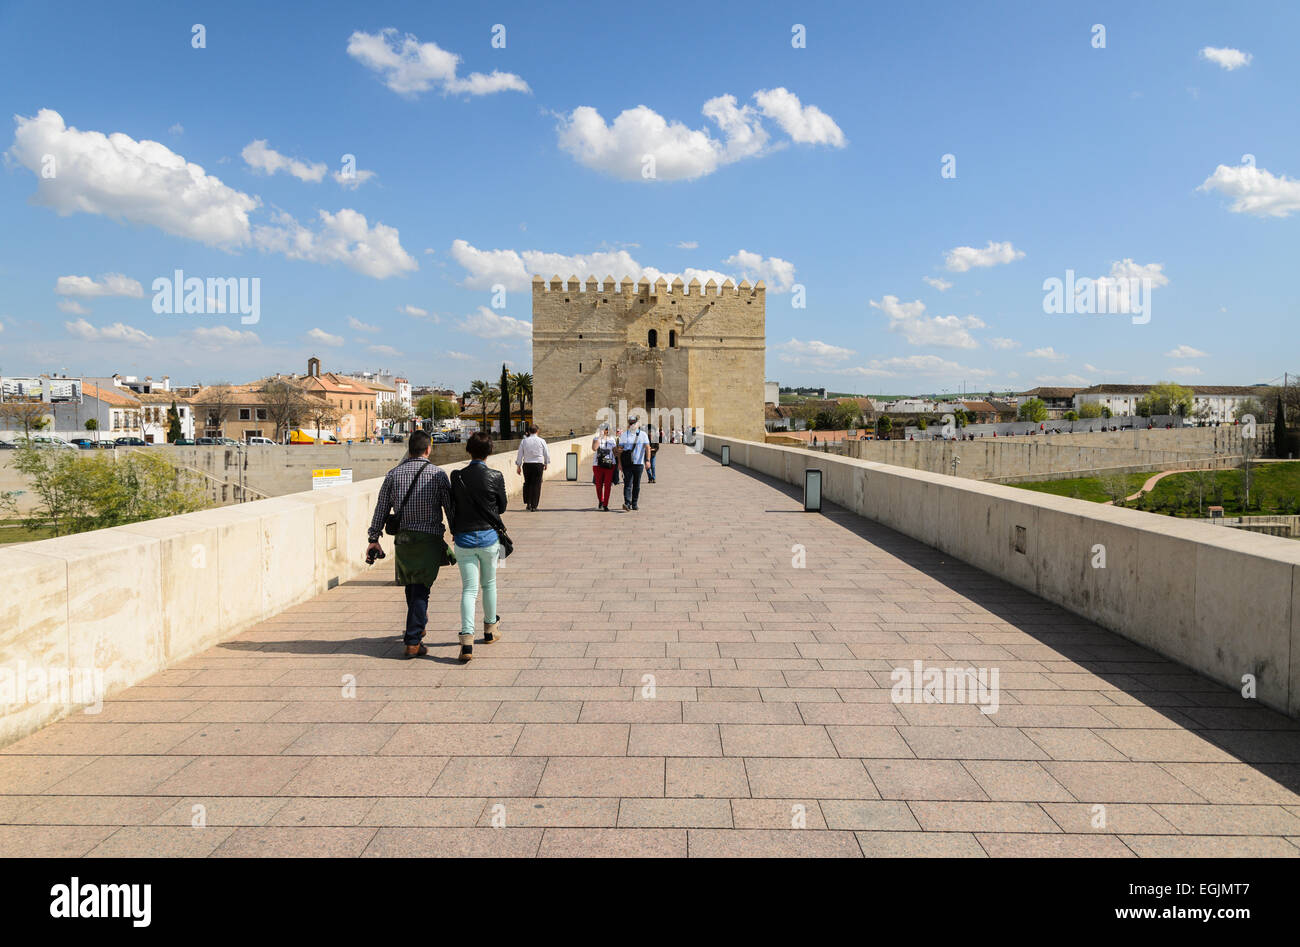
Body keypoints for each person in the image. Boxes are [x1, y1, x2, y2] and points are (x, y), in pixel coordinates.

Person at [366, 430, 453, 658]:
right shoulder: (438, 474)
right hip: (428, 539)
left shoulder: (393, 475)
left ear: (409, 449)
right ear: (428, 449)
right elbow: (450, 508)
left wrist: (373, 538)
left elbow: (381, 509)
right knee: (421, 589)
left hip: (404, 539)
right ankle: (413, 641)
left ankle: (418, 625)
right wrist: (456, 532)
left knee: (412, 585)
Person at [450, 432, 507, 662]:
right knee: (489, 584)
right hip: (488, 538)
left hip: (464, 539)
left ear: (468, 451)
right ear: (490, 451)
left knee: (469, 590)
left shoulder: (457, 477)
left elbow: (452, 507)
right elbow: (501, 507)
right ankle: (490, 630)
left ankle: (466, 641)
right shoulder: (496, 475)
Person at [618, 416, 651, 511]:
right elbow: (620, 450)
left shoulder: (643, 435)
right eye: (630, 423)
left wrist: (647, 460)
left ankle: (634, 503)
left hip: (639, 463)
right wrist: (619, 463)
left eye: (634, 423)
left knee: (636, 484)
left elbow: (647, 447)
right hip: (627, 464)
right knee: (628, 483)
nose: (632, 425)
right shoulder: (624, 435)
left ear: (637, 423)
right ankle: (627, 503)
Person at [514, 423, 550, 511]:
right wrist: (546, 463)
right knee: (536, 485)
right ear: (537, 431)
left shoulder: (524, 441)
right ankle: (534, 506)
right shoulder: (542, 441)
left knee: (528, 483)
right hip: (538, 464)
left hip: (527, 464)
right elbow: (546, 453)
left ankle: (528, 503)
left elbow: (520, 454)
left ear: (529, 432)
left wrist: (518, 465)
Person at [591, 424, 618, 510]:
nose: (603, 431)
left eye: (605, 429)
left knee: (608, 485)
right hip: (598, 465)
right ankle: (601, 501)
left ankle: (605, 504)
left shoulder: (612, 440)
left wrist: (619, 452)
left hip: (610, 464)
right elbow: (594, 448)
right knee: (598, 485)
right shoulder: (596, 439)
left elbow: (615, 452)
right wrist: (600, 437)